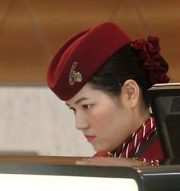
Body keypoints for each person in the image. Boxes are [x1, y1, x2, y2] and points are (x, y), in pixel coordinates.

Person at [46, 21, 170, 163]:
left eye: (86, 106)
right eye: (73, 109)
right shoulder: (101, 161)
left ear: (130, 93)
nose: (79, 124)